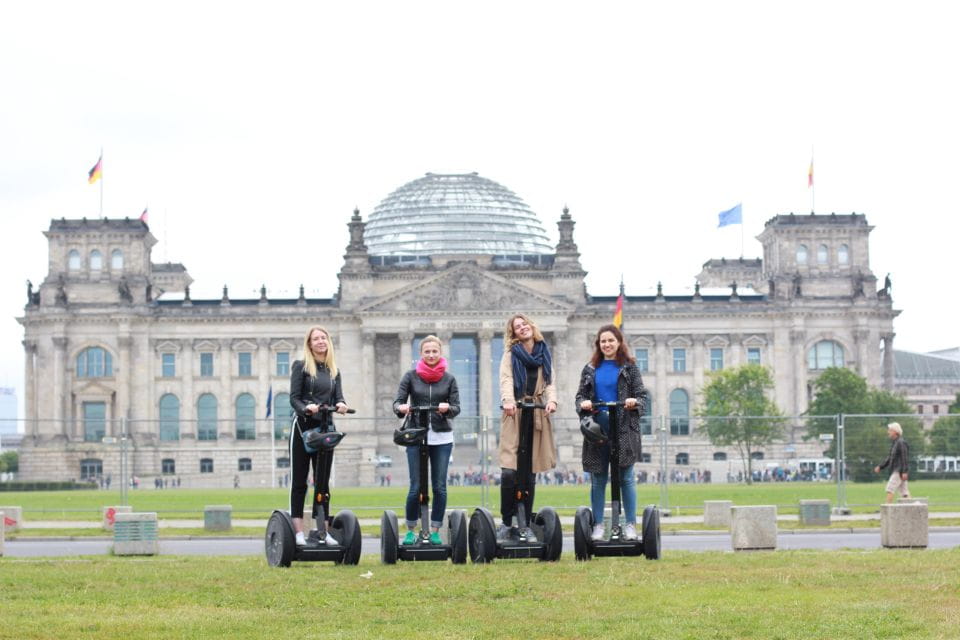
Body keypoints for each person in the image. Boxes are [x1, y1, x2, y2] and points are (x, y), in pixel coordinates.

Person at [576, 324, 647, 541]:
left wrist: (634, 402)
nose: (607, 344)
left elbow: (643, 398)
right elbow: (579, 398)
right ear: (598, 344)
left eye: (611, 340)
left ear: (618, 343)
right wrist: (584, 403)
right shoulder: (589, 369)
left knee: (626, 478)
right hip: (597, 431)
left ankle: (630, 525)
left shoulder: (630, 368)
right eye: (603, 341)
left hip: (624, 428)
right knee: (598, 479)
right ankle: (598, 524)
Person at [393, 335, 460, 545]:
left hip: (442, 437)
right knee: (415, 486)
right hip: (416, 435)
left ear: (440, 353)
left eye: (435, 351)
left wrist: (448, 408)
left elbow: (457, 408)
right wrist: (400, 408)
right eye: (427, 351)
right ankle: (411, 529)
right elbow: (398, 402)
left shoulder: (449, 379)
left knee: (439, 486)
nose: (431, 355)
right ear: (421, 354)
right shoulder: (410, 377)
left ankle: (435, 530)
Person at [498, 313, 558, 541]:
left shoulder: (544, 352)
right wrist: (508, 400)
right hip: (514, 413)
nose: (522, 328)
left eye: (525, 324)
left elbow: (550, 382)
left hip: (536, 413)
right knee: (509, 472)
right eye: (517, 327)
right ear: (513, 334)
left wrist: (552, 401)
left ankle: (527, 522)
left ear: (531, 326)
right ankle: (507, 520)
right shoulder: (511, 354)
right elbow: (506, 379)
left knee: (530, 472)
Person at [289, 325, 349, 546]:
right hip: (303, 430)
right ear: (309, 343)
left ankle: (323, 531)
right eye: (316, 338)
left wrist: (341, 404)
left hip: (325, 429)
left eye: (324, 337)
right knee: (300, 482)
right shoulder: (301, 366)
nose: (321, 341)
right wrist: (307, 408)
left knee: (322, 483)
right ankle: (298, 533)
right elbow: (294, 398)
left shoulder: (334, 370)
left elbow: (339, 397)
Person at [874, 422, 910, 503]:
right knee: (904, 493)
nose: (888, 432)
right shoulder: (895, 443)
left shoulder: (901, 443)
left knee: (890, 488)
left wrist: (904, 471)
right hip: (898, 470)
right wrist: (881, 466)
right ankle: (913, 510)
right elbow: (890, 458)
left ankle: (887, 510)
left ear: (895, 432)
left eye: (890, 430)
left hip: (899, 471)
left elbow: (904, 457)